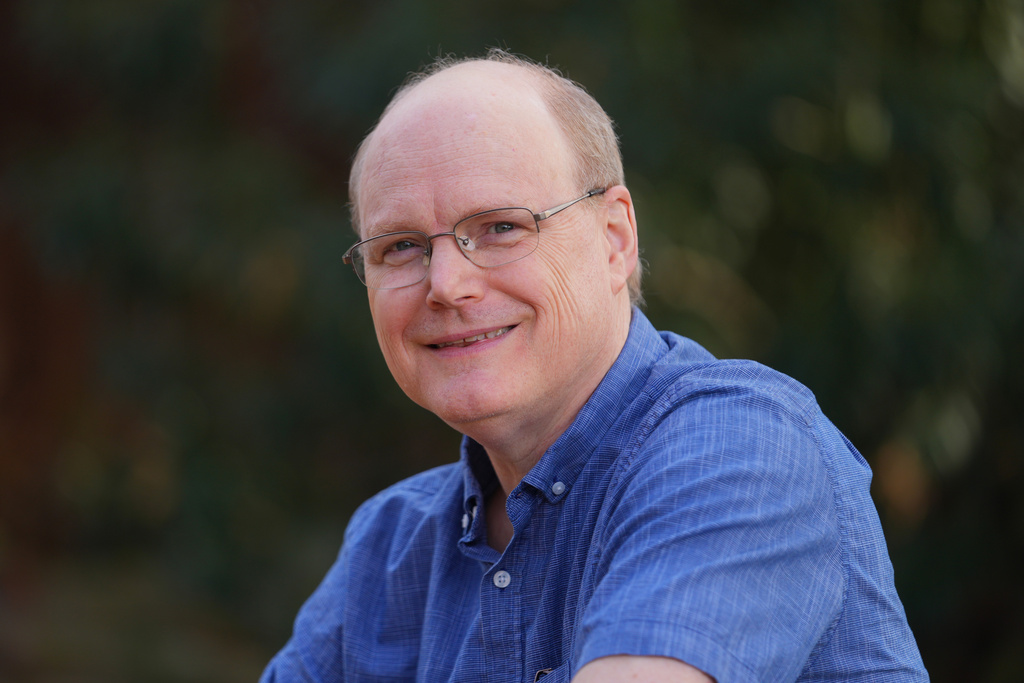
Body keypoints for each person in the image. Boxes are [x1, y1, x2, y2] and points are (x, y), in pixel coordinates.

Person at [261, 49, 928, 682]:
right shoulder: (389, 547)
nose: (446, 284)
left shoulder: (740, 450)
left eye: (500, 227)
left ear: (615, 238)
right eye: (401, 246)